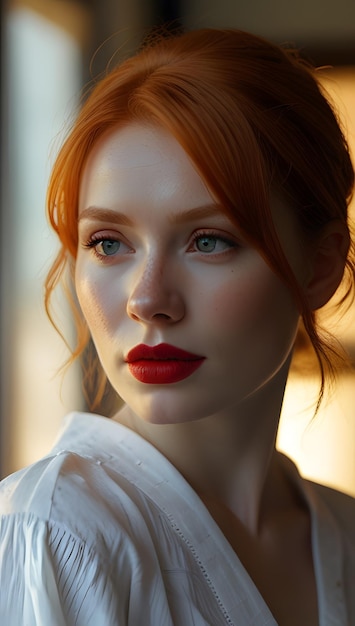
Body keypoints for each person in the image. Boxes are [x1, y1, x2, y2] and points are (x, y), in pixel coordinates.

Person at [1, 27, 355, 626]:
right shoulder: (54, 532)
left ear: (319, 265)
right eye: (108, 243)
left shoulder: (343, 533)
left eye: (208, 240)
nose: (147, 299)